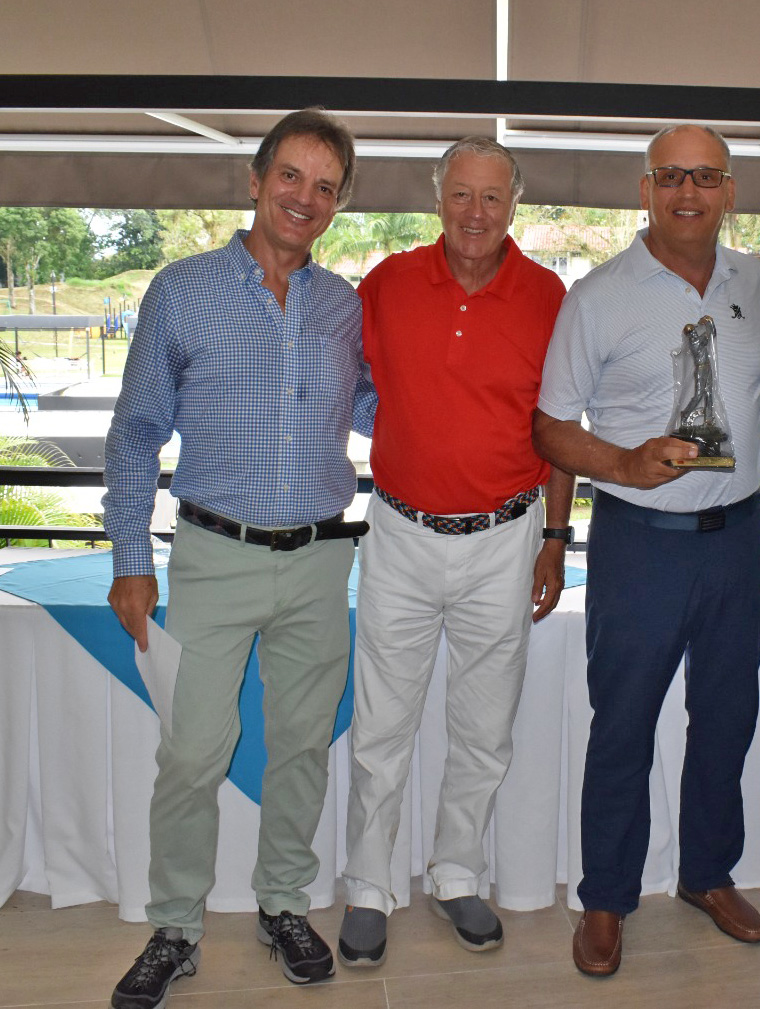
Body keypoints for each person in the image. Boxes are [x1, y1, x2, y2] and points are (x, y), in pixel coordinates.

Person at [103, 108, 373, 1008]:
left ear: (337, 204)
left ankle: (283, 903)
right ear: (255, 182)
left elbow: (380, 409)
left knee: (302, 746)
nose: (305, 197)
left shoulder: (343, 306)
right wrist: (130, 556)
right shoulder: (182, 291)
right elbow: (135, 432)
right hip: (213, 556)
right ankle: (175, 925)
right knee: (192, 752)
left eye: (325, 186)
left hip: (320, 560)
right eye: (290, 176)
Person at [533, 124, 760, 977]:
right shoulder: (597, 296)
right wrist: (623, 463)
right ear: (645, 190)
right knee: (624, 724)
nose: (688, 191)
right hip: (640, 543)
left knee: (727, 717)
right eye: (670, 176)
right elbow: (551, 427)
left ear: (729, 193)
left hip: (739, 540)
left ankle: (707, 873)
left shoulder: (757, 282)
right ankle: (606, 896)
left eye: (706, 177)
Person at [337, 137, 572, 966]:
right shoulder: (388, 283)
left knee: (483, 726)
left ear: (515, 205)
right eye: (461, 194)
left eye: (492, 197)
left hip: (504, 540)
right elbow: (346, 383)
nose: (476, 213)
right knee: (381, 726)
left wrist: (554, 538)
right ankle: (369, 886)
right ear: (438, 196)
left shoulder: (549, 297)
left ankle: (457, 872)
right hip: (399, 533)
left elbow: (560, 431)